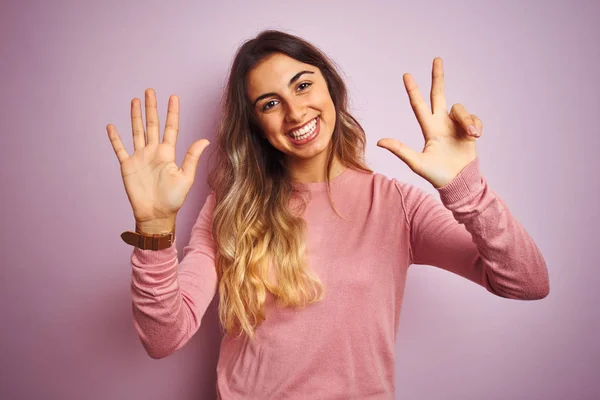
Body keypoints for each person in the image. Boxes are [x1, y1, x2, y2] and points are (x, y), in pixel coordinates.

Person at [106, 29, 550, 400]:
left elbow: (527, 282)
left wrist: (466, 186)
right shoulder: (231, 205)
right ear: (255, 124)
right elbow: (163, 339)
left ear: (331, 87)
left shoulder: (395, 204)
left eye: (303, 85)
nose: (295, 111)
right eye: (270, 103)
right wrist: (154, 229)